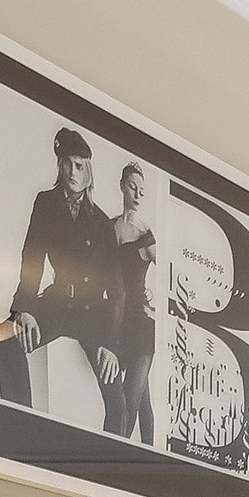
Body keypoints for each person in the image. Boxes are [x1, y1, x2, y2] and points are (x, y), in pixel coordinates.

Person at [3, 127, 108, 416]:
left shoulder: (100, 221)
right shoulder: (45, 203)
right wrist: (24, 308)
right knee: (5, 337)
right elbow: (32, 257)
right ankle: (19, 422)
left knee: (116, 397)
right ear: (59, 165)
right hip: (57, 302)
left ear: (88, 170)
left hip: (91, 312)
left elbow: (116, 285)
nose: (73, 172)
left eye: (79, 166)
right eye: (67, 163)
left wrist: (111, 341)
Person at [99, 162, 161, 444]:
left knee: (129, 402)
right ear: (123, 185)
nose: (137, 194)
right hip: (119, 321)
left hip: (143, 324)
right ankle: (150, 455)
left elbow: (173, 278)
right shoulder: (110, 228)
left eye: (142, 191)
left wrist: (156, 298)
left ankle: (110, 458)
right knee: (141, 402)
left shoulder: (147, 236)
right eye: (133, 187)